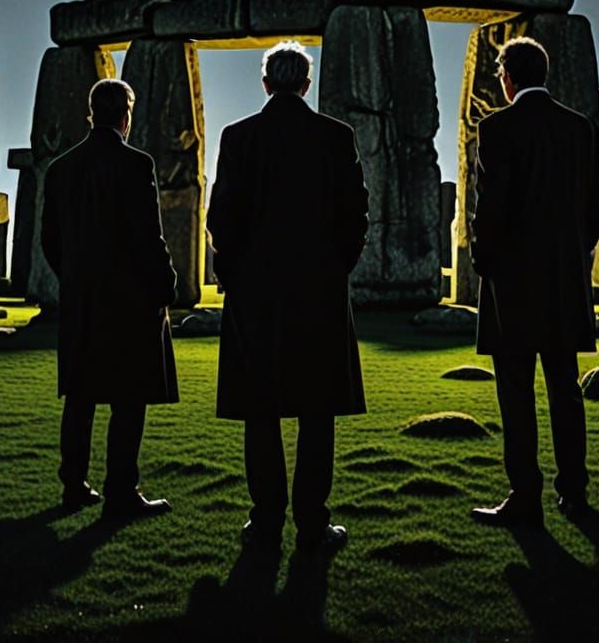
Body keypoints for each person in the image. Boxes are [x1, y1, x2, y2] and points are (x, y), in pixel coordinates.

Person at [206, 41, 369, 552]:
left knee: (261, 407)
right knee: (316, 408)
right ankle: (313, 523)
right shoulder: (335, 137)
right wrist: (337, 267)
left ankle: (265, 519)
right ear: (306, 84)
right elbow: (356, 214)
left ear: (265, 84)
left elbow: (220, 218)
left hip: (254, 291)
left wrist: (232, 275)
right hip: (318, 289)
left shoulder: (238, 136)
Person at [469, 37, 599, 528]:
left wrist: (482, 258)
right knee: (564, 387)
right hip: (563, 276)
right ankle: (574, 492)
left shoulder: (497, 128)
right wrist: (578, 246)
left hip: (512, 280)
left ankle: (524, 494)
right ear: (544, 74)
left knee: (515, 389)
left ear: (508, 78)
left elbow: (493, 203)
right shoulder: (579, 129)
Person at [41, 78, 178, 520]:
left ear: (91, 113)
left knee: (80, 396)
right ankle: (121, 490)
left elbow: (49, 239)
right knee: (128, 396)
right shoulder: (135, 163)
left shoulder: (60, 168)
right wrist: (165, 284)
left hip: (81, 298)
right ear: (126, 115)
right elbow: (148, 236)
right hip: (129, 300)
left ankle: (74, 485)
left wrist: (75, 277)